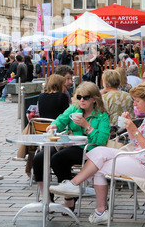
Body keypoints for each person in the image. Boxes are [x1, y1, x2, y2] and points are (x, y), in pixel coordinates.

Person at [50, 82, 145, 224]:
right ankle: (79, 190)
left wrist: (134, 128)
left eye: (137, 101)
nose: (134, 104)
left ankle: (96, 206)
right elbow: (136, 143)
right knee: (98, 152)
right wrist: (130, 124)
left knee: (99, 167)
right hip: (139, 156)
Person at [33, 82, 110, 213]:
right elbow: (61, 119)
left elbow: (102, 140)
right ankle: (47, 198)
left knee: (59, 159)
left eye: (85, 97)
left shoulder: (102, 115)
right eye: (79, 96)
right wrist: (54, 126)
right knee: (39, 159)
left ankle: (69, 196)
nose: (81, 100)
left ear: (94, 99)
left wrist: (87, 126)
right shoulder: (74, 108)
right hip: (69, 144)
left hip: (89, 149)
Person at [100, 69, 135, 134]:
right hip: (127, 130)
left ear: (105, 82)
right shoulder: (128, 95)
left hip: (112, 132)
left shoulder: (104, 98)